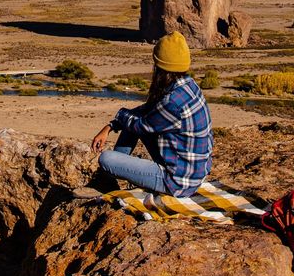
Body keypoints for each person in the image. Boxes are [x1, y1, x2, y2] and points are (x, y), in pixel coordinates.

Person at [87, 31, 213, 198]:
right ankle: (112, 173)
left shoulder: (172, 103)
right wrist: (112, 125)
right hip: (192, 172)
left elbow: (140, 125)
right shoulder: (189, 86)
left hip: (176, 182)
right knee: (132, 123)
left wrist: (116, 120)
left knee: (106, 159)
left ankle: (109, 175)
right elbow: (147, 112)